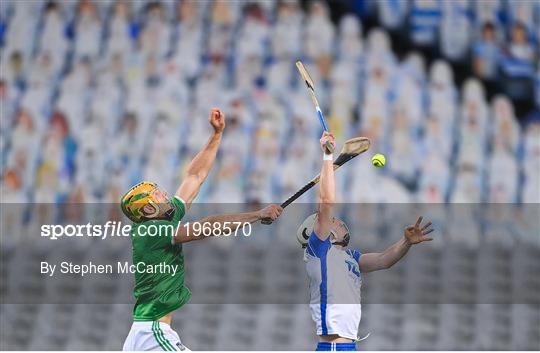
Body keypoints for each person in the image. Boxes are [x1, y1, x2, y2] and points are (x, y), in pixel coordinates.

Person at [121, 108, 283, 351]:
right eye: (157, 196)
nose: (164, 195)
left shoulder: (161, 220)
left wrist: (216, 135)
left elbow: (195, 176)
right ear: (146, 211)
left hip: (145, 331)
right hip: (152, 333)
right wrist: (257, 215)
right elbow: (208, 226)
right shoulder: (151, 231)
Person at [300, 131, 434, 351]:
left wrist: (406, 242)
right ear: (325, 233)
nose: (338, 221)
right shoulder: (319, 251)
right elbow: (326, 201)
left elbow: (384, 260)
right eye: (332, 221)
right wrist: (326, 156)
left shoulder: (351, 257)